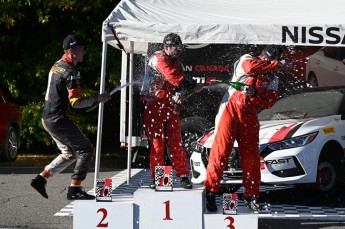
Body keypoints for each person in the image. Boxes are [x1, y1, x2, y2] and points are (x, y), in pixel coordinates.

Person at [204, 45, 286, 211]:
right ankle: (211, 192)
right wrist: (274, 65)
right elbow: (250, 67)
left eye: (270, 63)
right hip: (230, 109)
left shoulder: (273, 78)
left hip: (250, 114)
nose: (267, 66)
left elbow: (270, 102)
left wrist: (255, 94)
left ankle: (252, 196)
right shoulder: (248, 58)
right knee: (221, 152)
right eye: (267, 61)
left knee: (251, 158)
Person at [30, 34, 111, 200]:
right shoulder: (72, 72)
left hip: (47, 117)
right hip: (57, 118)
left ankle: (40, 179)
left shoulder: (57, 65)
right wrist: (97, 98)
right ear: (73, 51)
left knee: (69, 154)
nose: (84, 53)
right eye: (82, 49)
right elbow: (76, 102)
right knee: (86, 149)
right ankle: (75, 189)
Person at [140, 33, 203, 189]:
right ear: (166, 47)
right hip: (153, 105)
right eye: (175, 48)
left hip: (170, 106)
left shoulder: (178, 64)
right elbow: (175, 79)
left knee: (177, 142)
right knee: (157, 144)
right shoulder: (158, 58)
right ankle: (159, 180)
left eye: (179, 49)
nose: (178, 52)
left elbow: (179, 89)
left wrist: (184, 94)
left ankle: (183, 176)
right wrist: (192, 85)